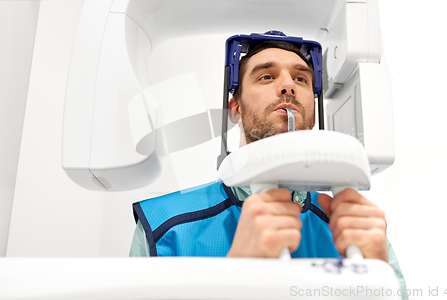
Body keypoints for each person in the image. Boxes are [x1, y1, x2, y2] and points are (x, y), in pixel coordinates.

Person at [130, 39, 407, 297]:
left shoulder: (357, 230)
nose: (288, 87)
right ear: (235, 107)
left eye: (301, 78)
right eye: (266, 76)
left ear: (313, 109)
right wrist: (233, 281)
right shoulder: (164, 226)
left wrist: (380, 283)